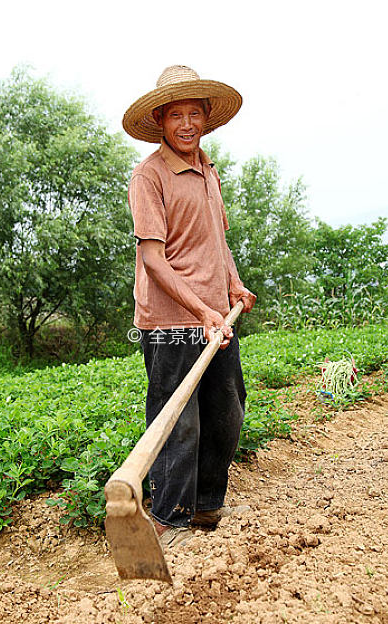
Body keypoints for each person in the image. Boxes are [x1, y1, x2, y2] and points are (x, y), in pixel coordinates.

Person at [123, 65, 256, 548]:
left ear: (205, 119)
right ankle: (167, 519)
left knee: (227, 411)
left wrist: (234, 285)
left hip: (217, 315)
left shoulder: (207, 169)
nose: (186, 124)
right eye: (176, 114)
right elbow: (154, 261)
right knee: (178, 421)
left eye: (194, 114)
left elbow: (216, 242)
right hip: (173, 319)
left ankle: (204, 507)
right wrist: (201, 309)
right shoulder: (149, 176)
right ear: (160, 119)